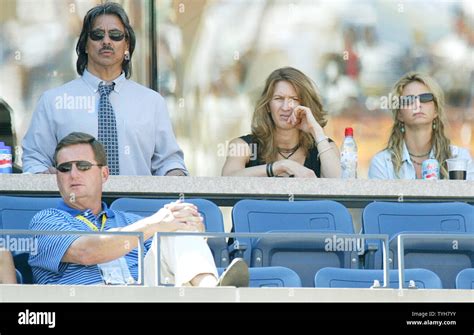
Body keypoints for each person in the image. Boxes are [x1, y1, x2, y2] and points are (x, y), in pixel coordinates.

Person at [28, 132, 248, 287]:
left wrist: (191, 227)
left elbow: (173, 254)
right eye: (65, 168)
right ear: (57, 176)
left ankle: (214, 293)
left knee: (174, 227)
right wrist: (155, 222)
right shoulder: (45, 221)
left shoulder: (129, 220)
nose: (73, 174)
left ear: (104, 174)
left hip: (142, 297)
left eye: (83, 166)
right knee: (165, 223)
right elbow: (87, 252)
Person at [22, 2, 187, 176]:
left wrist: (175, 178)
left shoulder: (152, 102)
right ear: (85, 44)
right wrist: (44, 177)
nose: (106, 41)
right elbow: (35, 159)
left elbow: (169, 161)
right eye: (97, 35)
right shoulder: (53, 101)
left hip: (137, 203)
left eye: (115, 35)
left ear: (127, 47)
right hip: (73, 202)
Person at [221, 67, 341, 178]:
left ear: (305, 105)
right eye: (279, 99)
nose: (286, 107)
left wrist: (317, 131)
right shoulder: (243, 146)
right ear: (268, 105)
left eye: (294, 99)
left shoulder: (326, 147)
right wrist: (281, 166)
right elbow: (227, 181)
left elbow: (342, 188)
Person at [369, 71, 472, 179]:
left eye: (425, 97)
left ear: (436, 110)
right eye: (409, 100)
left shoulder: (459, 159)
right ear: (399, 114)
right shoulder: (382, 163)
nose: (417, 105)